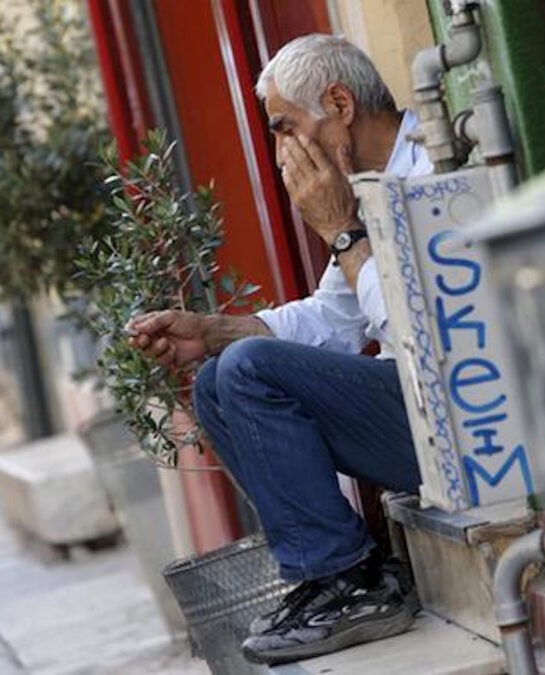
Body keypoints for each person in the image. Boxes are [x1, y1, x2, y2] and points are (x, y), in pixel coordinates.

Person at [124, 34, 431, 664]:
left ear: (339, 104)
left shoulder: (428, 166)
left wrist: (341, 232)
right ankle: (330, 575)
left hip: (463, 425)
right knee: (218, 377)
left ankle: (358, 583)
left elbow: (419, 336)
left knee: (248, 369)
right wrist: (209, 331)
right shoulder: (364, 185)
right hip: (417, 423)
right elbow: (333, 319)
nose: (279, 151)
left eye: (283, 127)